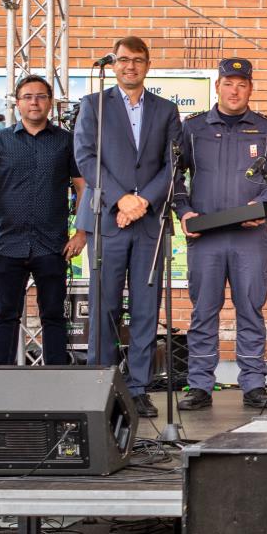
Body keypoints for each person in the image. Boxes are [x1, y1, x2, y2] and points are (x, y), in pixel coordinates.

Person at [174, 59, 267, 410]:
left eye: (242, 84)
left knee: (251, 309)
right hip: (205, 237)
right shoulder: (193, 127)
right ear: (217, 87)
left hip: (249, 237)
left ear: (251, 88)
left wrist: (262, 204)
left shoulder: (266, 129)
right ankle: (200, 385)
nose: (235, 90)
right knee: (203, 311)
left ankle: (253, 383)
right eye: (228, 83)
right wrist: (184, 211)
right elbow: (173, 175)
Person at [74, 36, 183, 418]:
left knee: (145, 309)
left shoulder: (166, 110)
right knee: (104, 306)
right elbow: (86, 156)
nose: (129, 66)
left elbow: (173, 164)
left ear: (147, 65)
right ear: (113, 64)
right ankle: (101, 388)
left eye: (137, 60)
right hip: (107, 219)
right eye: (122, 60)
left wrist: (143, 203)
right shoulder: (94, 104)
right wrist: (121, 199)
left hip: (149, 222)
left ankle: (137, 389)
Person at [0, 75, 86, 365]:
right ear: (17, 103)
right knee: (6, 315)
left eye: (40, 96)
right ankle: (1, 378)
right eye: (27, 97)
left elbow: (83, 187)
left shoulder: (66, 141)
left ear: (50, 102)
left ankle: (57, 379)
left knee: (54, 316)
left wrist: (81, 232)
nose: (34, 102)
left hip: (52, 244)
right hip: (8, 244)